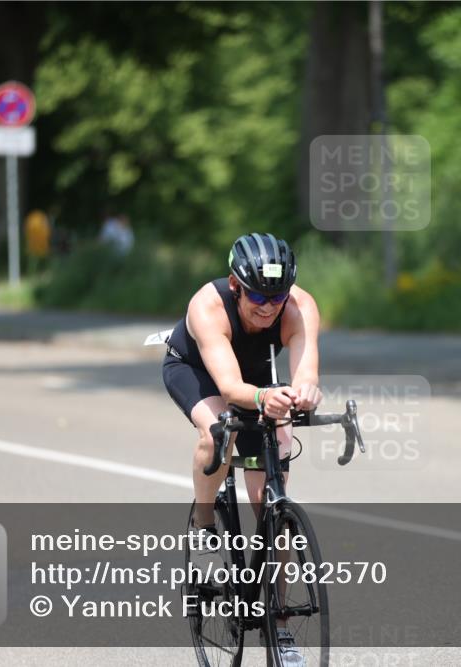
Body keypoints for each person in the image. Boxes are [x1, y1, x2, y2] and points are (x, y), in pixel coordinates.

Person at [162, 232, 321, 664]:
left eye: (278, 296)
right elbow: (231, 389)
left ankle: (280, 626)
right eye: (258, 296)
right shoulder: (208, 306)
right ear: (236, 285)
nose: (269, 306)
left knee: (272, 500)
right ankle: (204, 523)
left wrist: (304, 393)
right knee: (219, 431)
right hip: (199, 370)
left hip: (256, 375)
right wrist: (262, 398)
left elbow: (306, 371)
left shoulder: (299, 307)